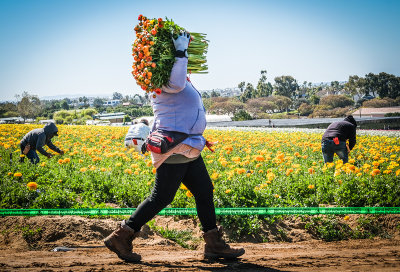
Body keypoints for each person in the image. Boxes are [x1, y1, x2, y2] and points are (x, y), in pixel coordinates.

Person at [104, 31, 245, 262]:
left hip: (187, 147)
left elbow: (182, 102)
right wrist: (181, 51)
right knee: (161, 198)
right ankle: (122, 235)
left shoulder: (170, 80)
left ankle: (214, 245)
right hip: (176, 148)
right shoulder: (164, 81)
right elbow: (178, 83)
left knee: (203, 191)